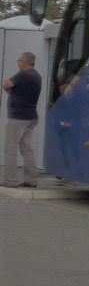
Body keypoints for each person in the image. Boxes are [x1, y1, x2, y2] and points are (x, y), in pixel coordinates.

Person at [3, 51, 42, 189]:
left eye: (18, 61)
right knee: (27, 149)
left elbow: (6, 85)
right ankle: (31, 180)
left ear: (23, 62)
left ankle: (11, 180)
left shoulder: (23, 74)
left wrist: (10, 91)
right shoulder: (37, 76)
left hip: (18, 117)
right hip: (31, 116)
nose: (18, 63)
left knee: (10, 149)